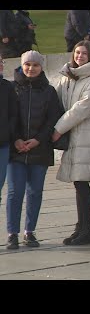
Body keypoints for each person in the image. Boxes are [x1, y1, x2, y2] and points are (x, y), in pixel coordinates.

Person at [6, 50, 62, 250]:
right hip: (16, 150)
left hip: (40, 149)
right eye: (27, 65)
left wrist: (38, 139)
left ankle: (30, 232)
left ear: (41, 67)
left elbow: (53, 118)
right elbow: (8, 117)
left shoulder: (49, 91)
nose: (31, 68)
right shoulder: (11, 89)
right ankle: (12, 232)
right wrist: (16, 139)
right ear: (22, 66)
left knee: (35, 192)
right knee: (15, 192)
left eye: (35, 65)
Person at [52, 40, 90, 246]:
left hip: (87, 135)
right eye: (77, 52)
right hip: (73, 135)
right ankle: (81, 226)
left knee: (82, 183)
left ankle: (87, 230)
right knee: (78, 183)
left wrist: (58, 128)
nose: (79, 56)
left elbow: (83, 108)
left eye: (84, 53)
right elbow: (57, 101)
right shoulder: (68, 77)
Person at [0, 55, 17, 208]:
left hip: (2, 144)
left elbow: (13, 114)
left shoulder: (7, 87)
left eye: (0, 62)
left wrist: (7, 132)